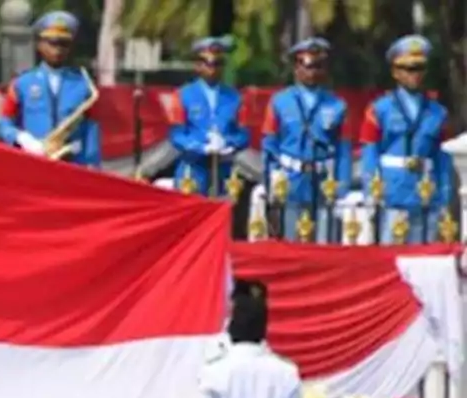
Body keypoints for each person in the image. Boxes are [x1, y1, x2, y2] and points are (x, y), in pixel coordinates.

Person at [359, 35, 453, 245]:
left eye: (419, 68)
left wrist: (445, 194)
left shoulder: (437, 112)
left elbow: (442, 157)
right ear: (395, 72)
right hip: (392, 192)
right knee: (391, 254)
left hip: (426, 192)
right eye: (409, 69)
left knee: (425, 257)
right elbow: (370, 154)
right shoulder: (379, 109)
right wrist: (371, 193)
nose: (415, 75)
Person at [260, 38, 351, 242]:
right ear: (296, 67)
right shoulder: (279, 101)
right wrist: (270, 182)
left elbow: (343, 149)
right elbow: (269, 144)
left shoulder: (337, 105)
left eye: (319, 66)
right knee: (291, 241)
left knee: (324, 242)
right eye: (308, 65)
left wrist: (342, 186)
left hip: (323, 181)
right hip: (290, 180)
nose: (313, 72)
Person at [0, 11, 101, 167]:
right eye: (52, 43)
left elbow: (91, 129)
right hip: (32, 162)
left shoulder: (83, 84)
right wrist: (22, 138)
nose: (57, 49)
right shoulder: (22, 83)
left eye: (63, 44)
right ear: (39, 44)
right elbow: (3, 123)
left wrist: (92, 164)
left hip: (72, 164)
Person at [167, 37, 250, 197]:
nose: (212, 68)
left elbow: (244, 134)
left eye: (218, 63)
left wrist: (229, 144)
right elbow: (176, 133)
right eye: (207, 63)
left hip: (224, 169)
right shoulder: (183, 94)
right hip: (193, 168)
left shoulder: (234, 97)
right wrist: (200, 146)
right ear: (198, 65)